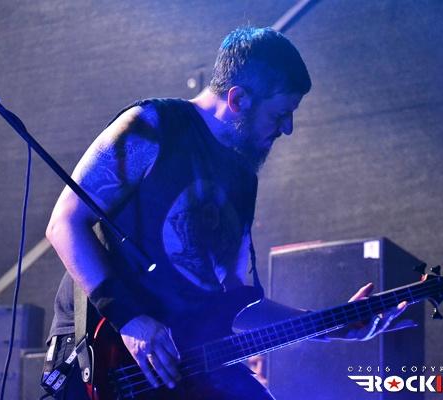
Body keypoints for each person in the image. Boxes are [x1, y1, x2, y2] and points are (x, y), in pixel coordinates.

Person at [43, 26, 407, 399]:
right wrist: (130, 319)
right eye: (280, 114)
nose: (288, 128)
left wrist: (329, 325)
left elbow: (236, 304)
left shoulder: (241, 178)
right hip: (104, 360)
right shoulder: (152, 126)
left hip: (184, 362)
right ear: (238, 99)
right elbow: (64, 223)